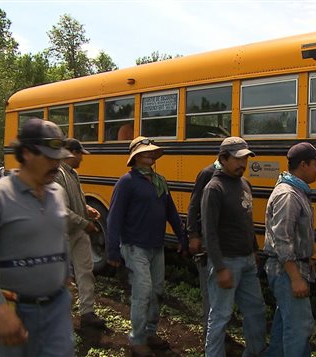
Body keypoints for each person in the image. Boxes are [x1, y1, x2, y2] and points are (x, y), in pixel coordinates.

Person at [0, 118, 74, 356]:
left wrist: (65, 274)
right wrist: (0, 310)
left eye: (58, 158)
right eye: (49, 157)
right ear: (26, 153)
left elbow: (61, 237)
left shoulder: (57, 193)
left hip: (56, 310)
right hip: (14, 311)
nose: (56, 164)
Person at [106, 136, 187, 357]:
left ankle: (150, 332)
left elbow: (170, 211)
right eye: (146, 152)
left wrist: (182, 237)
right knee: (143, 291)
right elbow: (114, 217)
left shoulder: (159, 181)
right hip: (134, 246)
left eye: (152, 152)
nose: (151, 154)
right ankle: (137, 340)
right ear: (135, 157)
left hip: (156, 246)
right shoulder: (127, 182)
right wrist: (112, 249)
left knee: (157, 291)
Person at [201, 137, 266, 356]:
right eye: (238, 159)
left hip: (247, 260)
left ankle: (255, 352)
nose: (243, 164)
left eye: (245, 159)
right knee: (220, 316)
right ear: (223, 159)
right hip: (227, 261)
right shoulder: (214, 189)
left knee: (256, 311)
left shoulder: (244, 183)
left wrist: (254, 250)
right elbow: (209, 232)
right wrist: (220, 268)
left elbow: (247, 221)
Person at [264, 142, 316, 356]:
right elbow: (282, 239)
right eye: (315, 164)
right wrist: (295, 277)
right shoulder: (288, 195)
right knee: (299, 328)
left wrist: (306, 258)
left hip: (290, 267)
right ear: (303, 165)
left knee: (284, 325)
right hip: (286, 271)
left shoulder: (295, 192)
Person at [54, 138, 106, 329]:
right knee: (62, 276)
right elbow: (62, 209)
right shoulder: (57, 175)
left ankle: (87, 312)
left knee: (85, 272)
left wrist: (87, 208)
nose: (81, 159)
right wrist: (86, 224)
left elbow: (73, 200)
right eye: (79, 154)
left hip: (78, 232)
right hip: (63, 233)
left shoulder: (72, 174)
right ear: (69, 152)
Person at [186, 159, 221, 336]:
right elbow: (193, 205)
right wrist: (193, 234)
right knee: (209, 290)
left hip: (220, 241)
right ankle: (211, 334)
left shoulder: (233, 175)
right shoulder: (208, 173)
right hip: (206, 240)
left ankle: (218, 332)